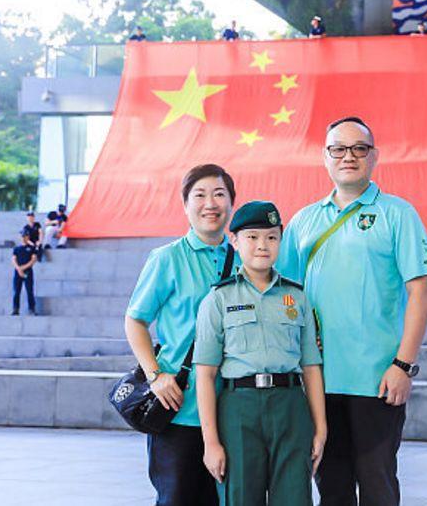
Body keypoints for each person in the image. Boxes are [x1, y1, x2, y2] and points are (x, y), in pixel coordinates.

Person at [278, 116, 427, 506]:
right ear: (325, 157)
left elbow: (422, 292)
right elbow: (284, 296)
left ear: (373, 156)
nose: (348, 156)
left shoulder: (398, 214)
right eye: (338, 149)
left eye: (358, 148)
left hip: (377, 381)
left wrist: (403, 365)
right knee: (331, 488)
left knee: (378, 485)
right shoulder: (303, 221)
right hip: (318, 380)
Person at [194, 201, 326, 506]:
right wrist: (210, 442)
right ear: (236, 242)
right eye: (252, 237)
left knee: (294, 498)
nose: (262, 245)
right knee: (242, 497)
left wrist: (320, 428)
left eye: (271, 237)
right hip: (239, 409)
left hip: (291, 406)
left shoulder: (297, 296)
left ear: (280, 241)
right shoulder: (219, 298)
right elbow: (206, 374)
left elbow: (311, 367)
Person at [125, 164, 237, 506]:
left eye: (219, 194)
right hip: (180, 408)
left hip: (232, 410)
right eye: (199, 195)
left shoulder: (244, 258)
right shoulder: (167, 259)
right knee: (177, 498)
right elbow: (135, 321)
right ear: (185, 204)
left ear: (232, 202)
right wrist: (155, 375)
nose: (210, 203)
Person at [11, 231, 38, 316]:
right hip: (17, 272)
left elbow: (33, 260)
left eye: (25, 236)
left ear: (28, 237)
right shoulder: (16, 248)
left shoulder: (32, 248)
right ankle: (15, 309)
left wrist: (23, 268)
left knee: (29, 291)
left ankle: (32, 309)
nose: (24, 238)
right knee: (16, 291)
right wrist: (18, 269)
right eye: (22, 236)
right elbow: (13, 259)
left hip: (28, 271)